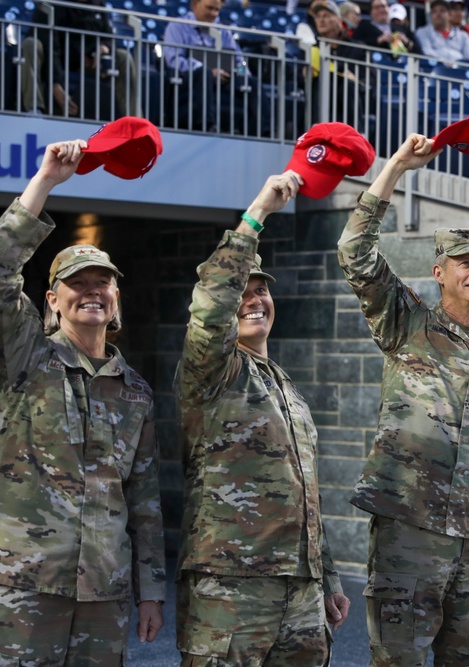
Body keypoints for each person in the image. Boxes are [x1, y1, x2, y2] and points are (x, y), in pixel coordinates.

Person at [0, 139, 165, 664]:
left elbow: (143, 498)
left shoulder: (135, 388)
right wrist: (45, 180)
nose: (91, 290)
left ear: (116, 298)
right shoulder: (26, 356)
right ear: (52, 300)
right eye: (77, 283)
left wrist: (152, 589)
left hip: (104, 592)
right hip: (21, 583)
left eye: (103, 282)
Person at [337, 134, 469, 666]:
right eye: (464, 261)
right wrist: (396, 166)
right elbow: (354, 252)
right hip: (410, 528)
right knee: (399, 659)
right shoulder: (408, 323)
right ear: (439, 272)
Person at [175, 170, 350, 664]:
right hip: (233, 589)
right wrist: (257, 216)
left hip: (301, 592)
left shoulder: (283, 384)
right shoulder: (212, 371)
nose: (254, 300)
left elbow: (305, 493)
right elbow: (212, 306)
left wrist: (327, 577)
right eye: (243, 293)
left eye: (262, 292)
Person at [162, 0, 269, 135]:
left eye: (216, 10)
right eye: (209, 8)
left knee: (253, 83)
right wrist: (206, 70)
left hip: (224, 80)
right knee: (203, 74)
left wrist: (240, 74)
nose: (213, 14)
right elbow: (174, 60)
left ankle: (263, 131)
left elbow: (239, 61)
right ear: (195, 4)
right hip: (189, 80)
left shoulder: (224, 32)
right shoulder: (177, 27)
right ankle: (207, 126)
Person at [22, 0, 139, 118]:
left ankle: (134, 119)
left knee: (124, 57)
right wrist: (56, 85)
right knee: (30, 44)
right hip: (53, 61)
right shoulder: (49, 4)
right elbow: (50, 47)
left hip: (89, 62)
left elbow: (109, 38)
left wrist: (104, 48)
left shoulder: (98, 5)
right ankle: (34, 108)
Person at [353, 0, 420, 55]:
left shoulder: (400, 27)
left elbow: (419, 52)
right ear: (371, 12)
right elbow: (355, 45)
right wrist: (378, 40)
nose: (381, 10)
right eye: (377, 7)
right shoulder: (364, 27)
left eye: (383, 6)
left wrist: (406, 41)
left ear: (388, 8)